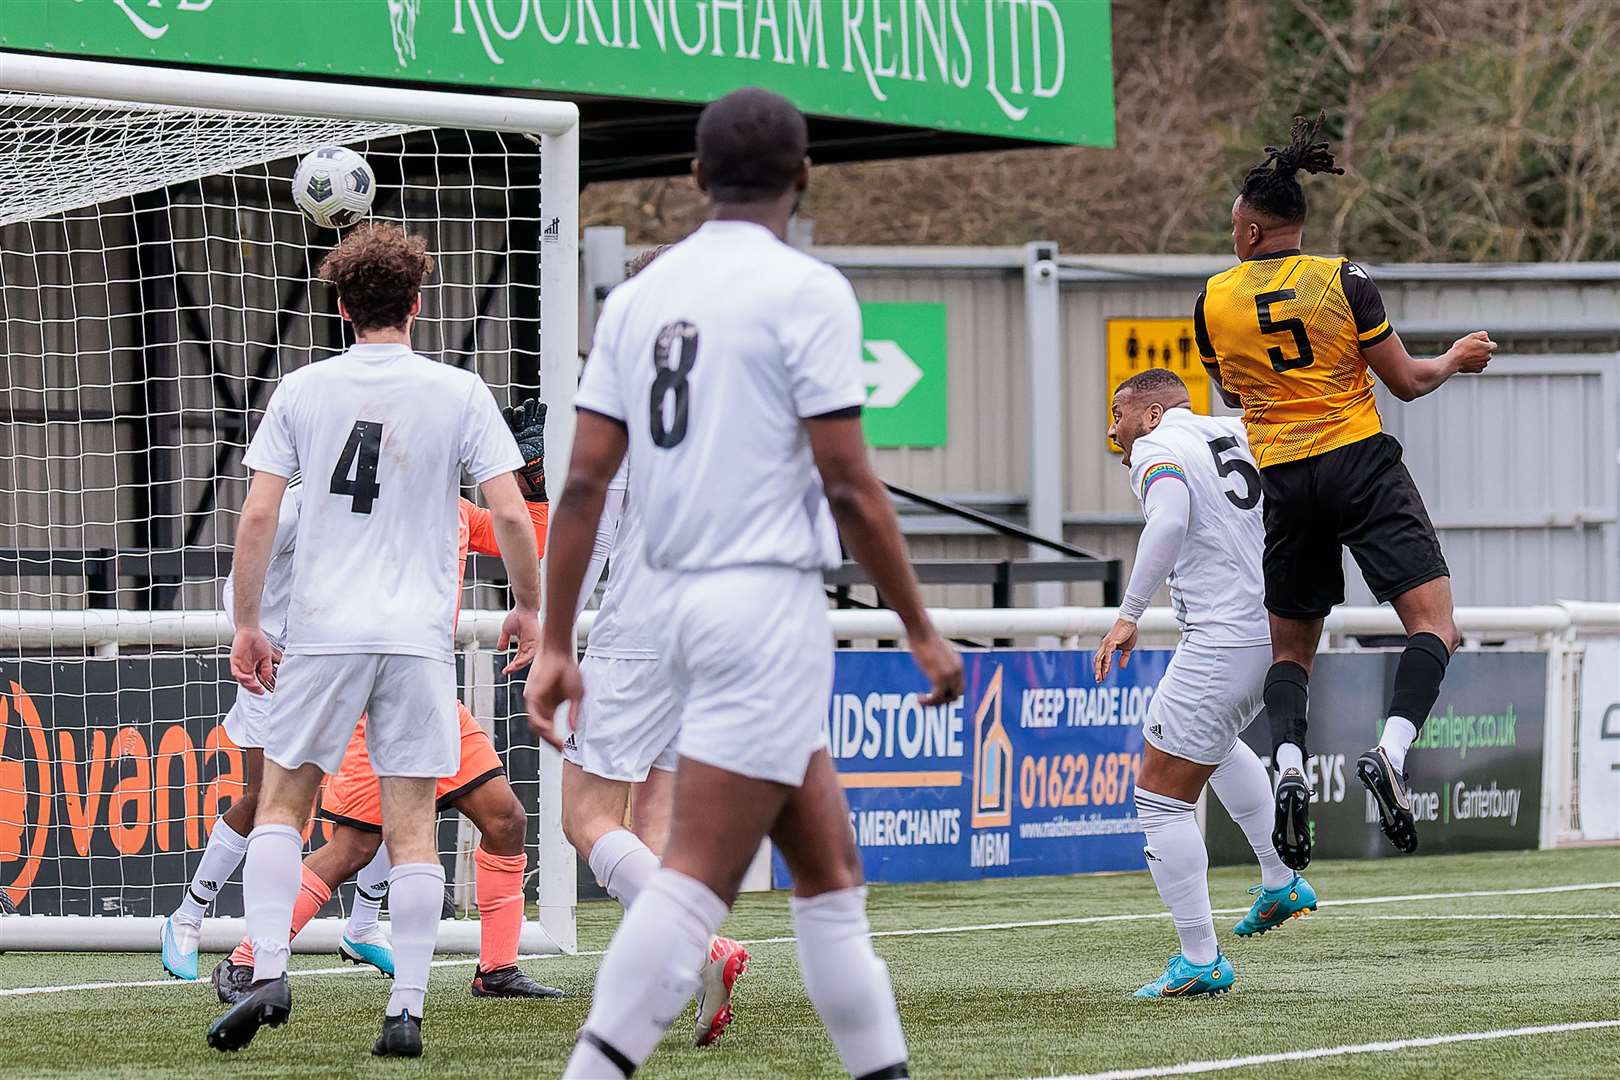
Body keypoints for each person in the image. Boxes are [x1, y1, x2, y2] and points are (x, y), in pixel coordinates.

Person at [527, 88, 962, 1080]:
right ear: (805, 176)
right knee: (691, 887)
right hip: (762, 607)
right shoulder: (807, 290)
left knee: (830, 875)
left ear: (693, 177)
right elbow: (850, 485)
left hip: (669, 608)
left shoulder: (636, 300)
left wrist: (556, 641)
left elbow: (585, 482)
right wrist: (922, 631)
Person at [206, 223, 542, 1058]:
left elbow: (256, 515)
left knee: (284, 805)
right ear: (418, 305)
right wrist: (531, 608)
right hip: (415, 639)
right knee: (414, 832)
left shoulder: (303, 388)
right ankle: (407, 1009)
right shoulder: (459, 392)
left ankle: (271, 967)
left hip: (322, 632)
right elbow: (507, 511)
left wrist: (249, 623)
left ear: (343, 306)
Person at [1196, 114, 1496, 868]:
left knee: (1292, 650)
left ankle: (1290, 765)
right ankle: (1391, 755)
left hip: (1287, 479)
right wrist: (1456, 357)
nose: (1233, 236)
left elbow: (1230, 392)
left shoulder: (1213, 301)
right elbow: (1407, 381)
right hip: (1359, 460)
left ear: (1259, 231)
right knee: (1434, 624)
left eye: (1236, 226)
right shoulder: (1344, 279)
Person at [209, 400, 559, 1003]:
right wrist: (256, 622)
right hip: (371, 693)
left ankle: (496, 969)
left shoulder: (455, 512)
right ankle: (247, 960)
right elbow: (267, 530)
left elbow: (531, 536)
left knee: (505, 821)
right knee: (352, 846)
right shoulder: (360, 516)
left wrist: (531, 474)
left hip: (428, 692)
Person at [560, 244, 749, 1048]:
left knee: (587, 817)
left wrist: (550, 632)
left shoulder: (626, 392)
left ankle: (701, 947)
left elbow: (593, 525)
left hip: (638, 630)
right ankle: (671, 979)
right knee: (663, 819)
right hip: (717, 626)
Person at [1095, 369, 1316, 999]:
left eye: (1120, 412)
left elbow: (1167, 522)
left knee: (1160, 796)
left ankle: (1200, 959)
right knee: (1213, 749)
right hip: (1279, 627)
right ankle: (1279, 881)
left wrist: (1128, 614)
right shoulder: (1233, 429)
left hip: (1225, 635)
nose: (1114, 428)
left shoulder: (1155, 448)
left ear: (1156, 412)